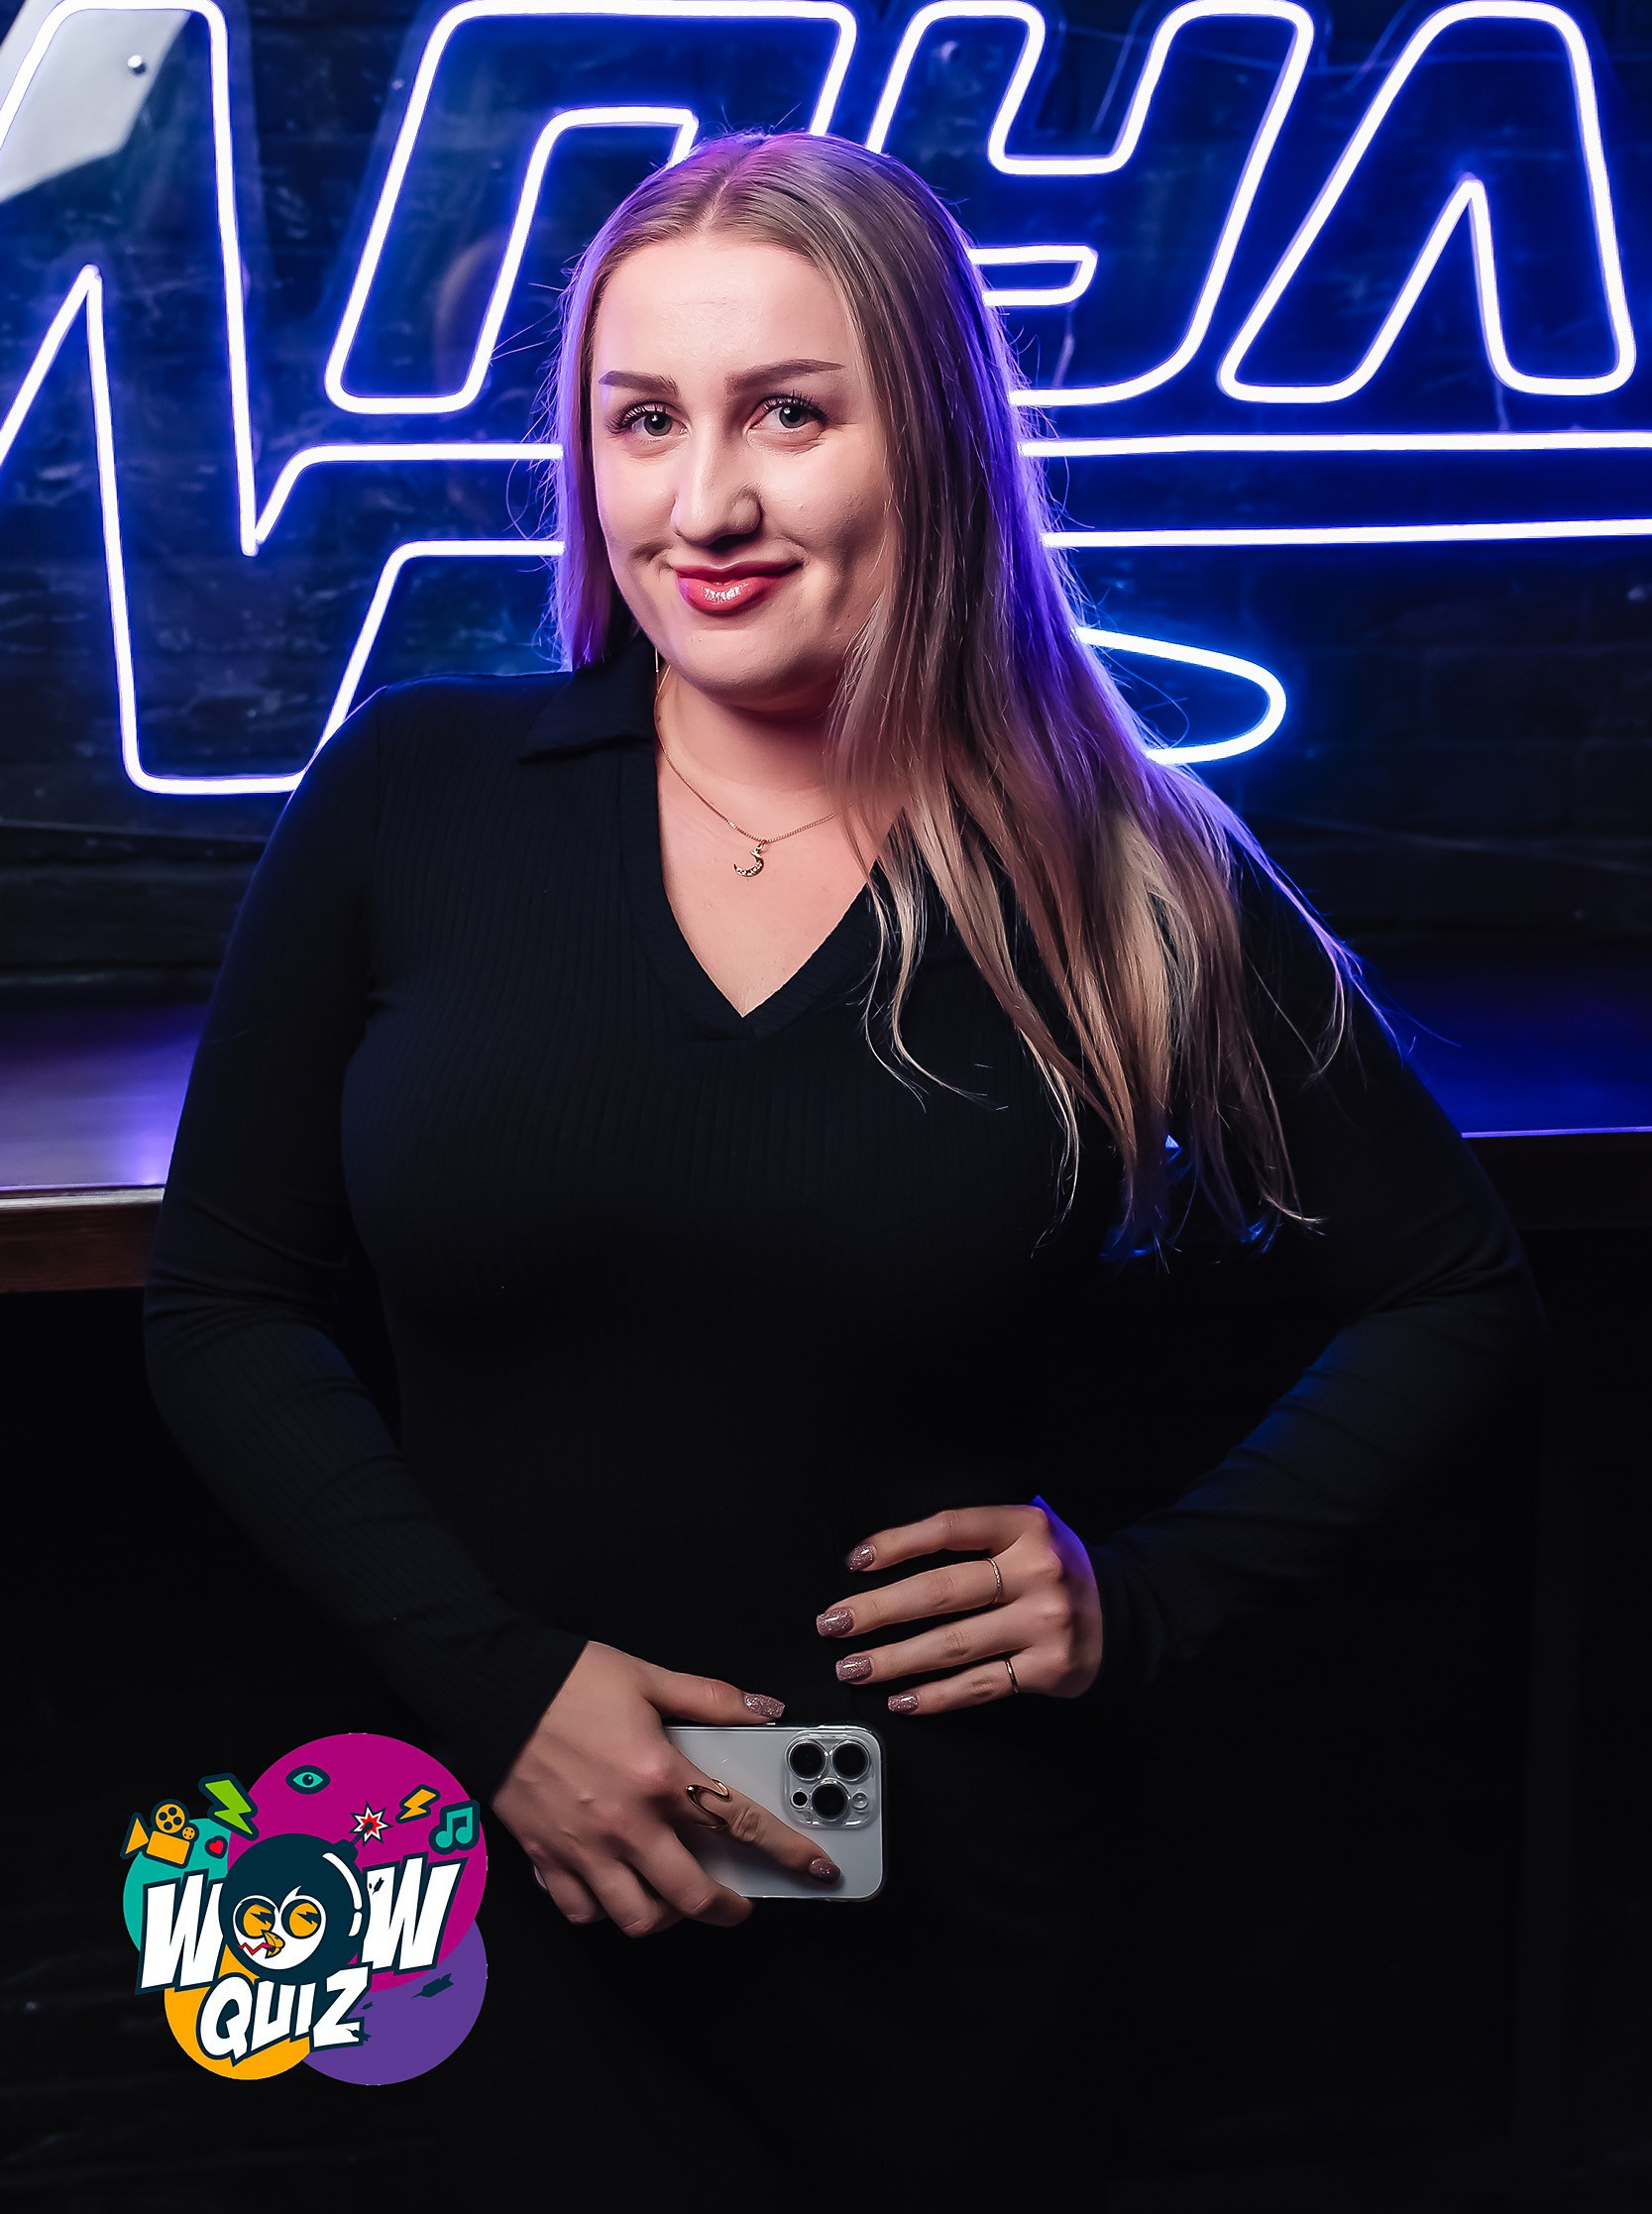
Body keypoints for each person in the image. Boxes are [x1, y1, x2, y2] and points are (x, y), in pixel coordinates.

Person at [145, 130, 1540, 2198]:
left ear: (937, 446)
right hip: (429, 1852)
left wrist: (1151, 1595)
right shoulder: (413, 790)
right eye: (643, 419)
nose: (702, 503)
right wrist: (499, 1694)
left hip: (915, 1895)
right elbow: (223, 1302)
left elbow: (1456, 1289)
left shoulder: (1122, 860)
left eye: (788, 414)